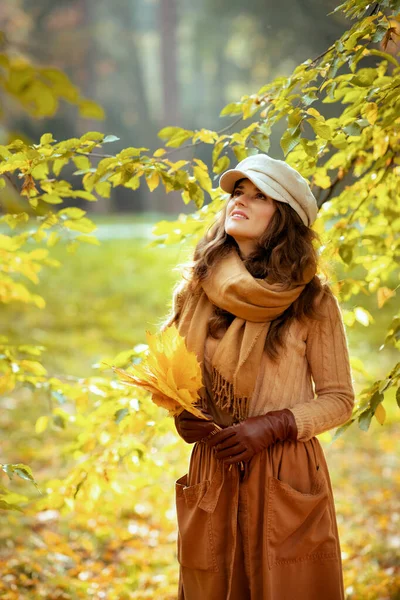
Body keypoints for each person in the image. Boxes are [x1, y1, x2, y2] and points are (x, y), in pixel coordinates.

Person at [162, 153, 354, 600]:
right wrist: (184, 416)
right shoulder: (196, 290)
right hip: (216, 467)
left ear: (283, 218)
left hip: (285, 472)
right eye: (237, 193)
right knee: (213, 585)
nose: (240, 202)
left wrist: (274, 425)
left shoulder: (313, 301)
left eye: (259, 195)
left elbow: (339, 398)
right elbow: (176, 380)